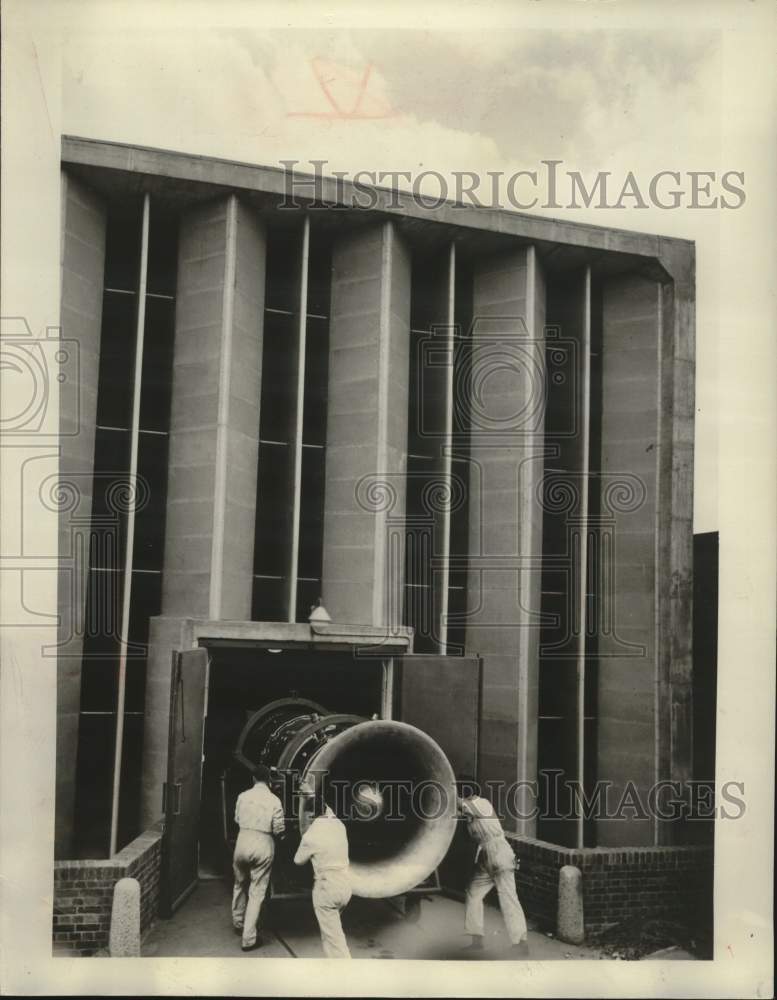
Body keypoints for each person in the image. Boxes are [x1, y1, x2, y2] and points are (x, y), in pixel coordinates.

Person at [458, 783, 529, 956]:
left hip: (499, 852)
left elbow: (462, 806)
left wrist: (448, 791)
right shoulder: (470, 810)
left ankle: (520, 942)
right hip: (486, 856)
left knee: (508, 897)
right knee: (473, 892)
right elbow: (461, 811)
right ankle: (477, 938)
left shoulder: (482, 803)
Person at [293, 781, 352, 958]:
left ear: (311, 814)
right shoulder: (339, 824)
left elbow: (298, 861)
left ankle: (349, 976)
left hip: (327, 888)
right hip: (345, 886)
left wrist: (305, 834)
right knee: (330, 935)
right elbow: (324, 808)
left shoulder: (312, 833)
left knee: (335, 941)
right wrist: (310, 795)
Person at [231, 762, 285, 952]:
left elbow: (236, 819)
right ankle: (249, 939)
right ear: (269, 780)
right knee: (257, 892)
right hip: (263, 843)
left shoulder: (242, 796)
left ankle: (237, 922)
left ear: (253, 779)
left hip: (243, 840)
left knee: (239, 884)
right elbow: (279, 828)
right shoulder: (274, 800)